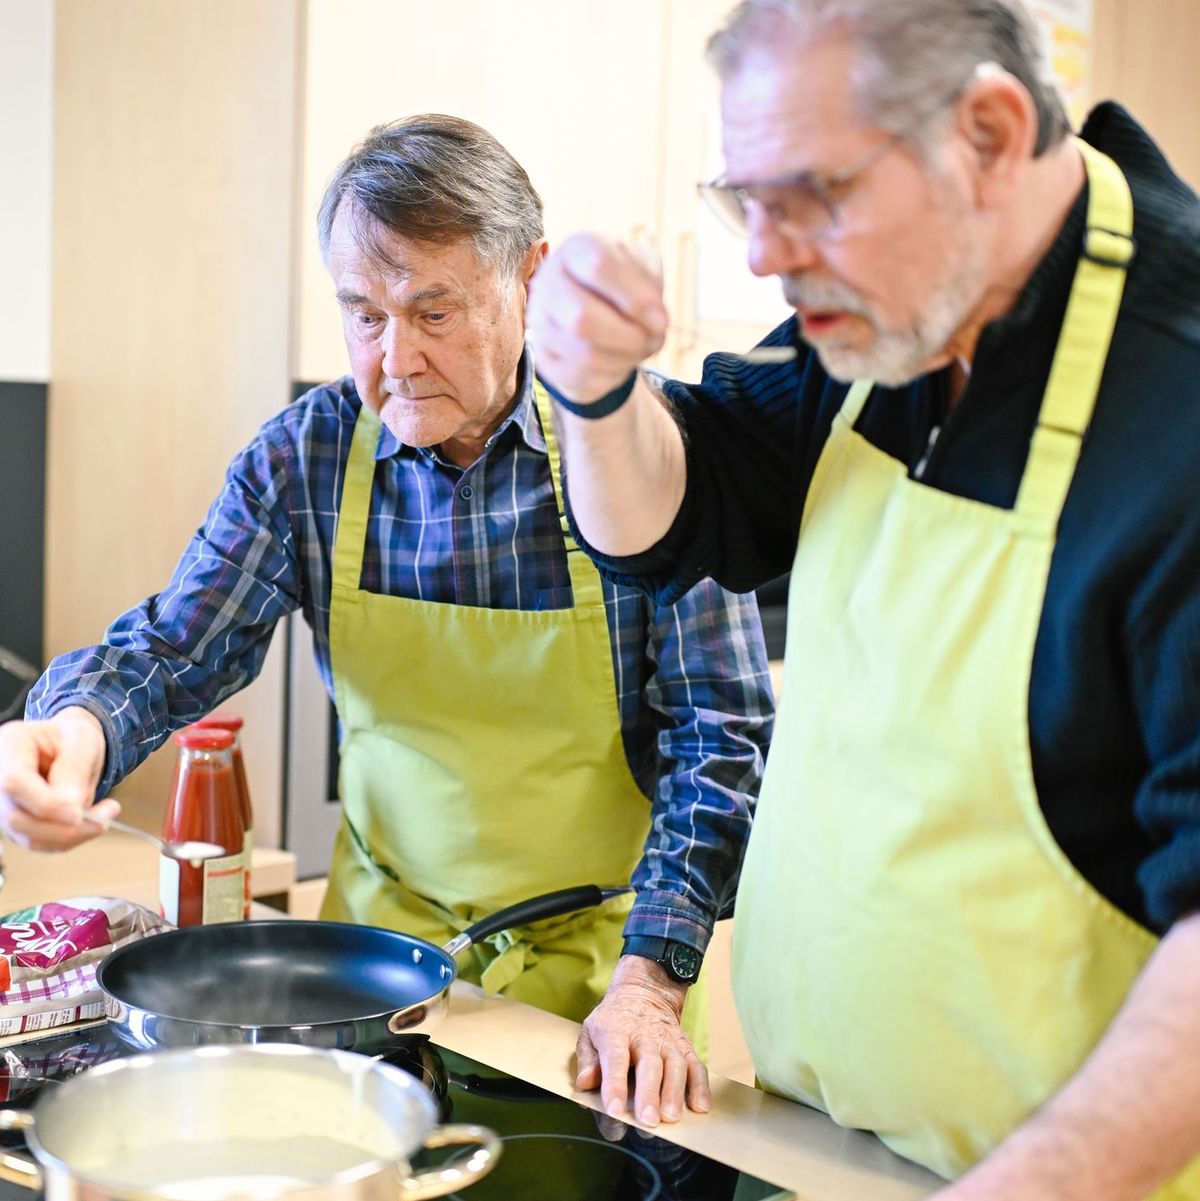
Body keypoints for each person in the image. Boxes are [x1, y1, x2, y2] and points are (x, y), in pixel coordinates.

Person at [525, 0, 1200, 1196]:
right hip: (800, 1138)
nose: (762, 256)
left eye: (812, 196)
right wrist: (590, 389)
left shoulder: (1175, 396)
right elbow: (671, 519)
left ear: (989, 135)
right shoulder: (892, 316)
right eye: (745, 202)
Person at [0, 114, 775, 1126]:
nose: (394, 356)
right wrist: (73, 730)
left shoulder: (641, 447)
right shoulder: (307, 459)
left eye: (433, 310)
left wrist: (651, 981)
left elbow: (723, 734)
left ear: (528, 278)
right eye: (362, 313)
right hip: (367, 980)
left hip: (603, 993)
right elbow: (175, 645)